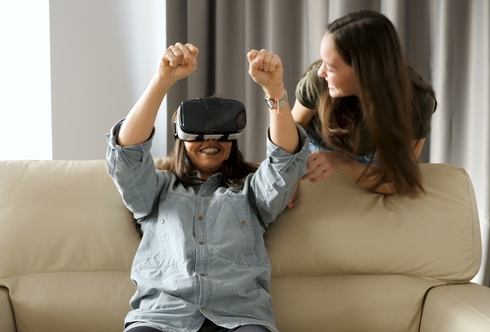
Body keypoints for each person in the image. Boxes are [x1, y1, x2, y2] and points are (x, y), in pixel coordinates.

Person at [105, 42, 308, 332]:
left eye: (220, 133)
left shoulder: (251, 193)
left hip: (239, 317)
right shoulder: (155, 191)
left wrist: (274, 91)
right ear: (180, 137)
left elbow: (285, 162)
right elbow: (126, 154)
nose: (211, 139)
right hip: (162, 318)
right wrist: (162, 80)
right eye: (200, 132)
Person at [292, 10, 437, 196]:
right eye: (323, 62)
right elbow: (286, 143)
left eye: (331, 67)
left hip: (372, 168)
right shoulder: (318, 82)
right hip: (314, 160)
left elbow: (397, 181)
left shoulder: (416, 101)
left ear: (365, 71)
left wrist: (343, 162)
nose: (321, 72)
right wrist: (286, 177)